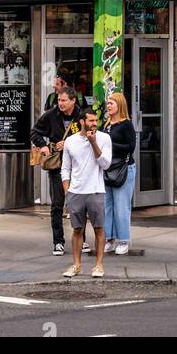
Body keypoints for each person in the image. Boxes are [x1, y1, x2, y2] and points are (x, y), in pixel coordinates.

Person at [32, 87, 89, 255]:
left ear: (73, 101)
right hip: (57, 165)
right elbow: (34, 132)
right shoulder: (51, 115)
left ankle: (82, 240)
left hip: (79, 165)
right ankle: (58, 241)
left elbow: (90, 134)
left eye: (64, 100)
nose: (60, 103)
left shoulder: (81, 115)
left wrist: (70, 142)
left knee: (79, 204)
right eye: (58, 100)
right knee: (57, 204)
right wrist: (43, 145)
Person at [61, 108, 112, 279]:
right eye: (90, 121)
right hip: (76, 192)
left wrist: (93, 143)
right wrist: (67, 192)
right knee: (77, 229)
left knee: (99, 228)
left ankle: (99, 265)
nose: (94, 124)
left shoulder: (104, 138)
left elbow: (105, 164)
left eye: (96, 121)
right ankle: (76, 265)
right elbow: (65, 169)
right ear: (82, 122)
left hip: (96, 190)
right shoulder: (70, 141)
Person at [103, 91, 136, 255]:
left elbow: (131, 148)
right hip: (107, 168)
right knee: (107, 205)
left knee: (121, 206)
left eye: (111, 103)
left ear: (119, 105)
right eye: (108, 103)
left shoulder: (127, 125)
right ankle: (109, 238)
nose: (108, 105)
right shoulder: (106, 125)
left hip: (124, 168)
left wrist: (109, 144)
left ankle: (123, 240)